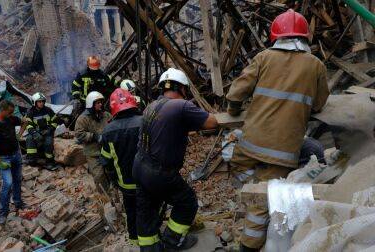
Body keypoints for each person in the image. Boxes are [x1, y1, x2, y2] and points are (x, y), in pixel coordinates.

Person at [226, 9, 330, 251]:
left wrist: (233, 108)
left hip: (248, 145)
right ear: (305, 38)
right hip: (282, 153)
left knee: (249, 180)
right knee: (263, 198)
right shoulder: (315, 66)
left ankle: (248, 223)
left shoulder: (263, 58)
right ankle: (249, 245)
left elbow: (236, 92)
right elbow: (319, 104)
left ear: (276, 36)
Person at [133, 68, 218, 251]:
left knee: (147, 208)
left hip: (139, 166)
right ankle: (172, 242)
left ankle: (149, 248)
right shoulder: (182, 106)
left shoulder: (151, 106)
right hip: (159, 172)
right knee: (187, 202)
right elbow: (212, 122)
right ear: (182, 89)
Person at [100, 88, 141, 246]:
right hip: (148, 180)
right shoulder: (144, 121)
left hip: (126, 183)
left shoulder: (108, 131)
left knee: (131, 212)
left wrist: (113, 180)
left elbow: (106, 160)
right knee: (148, 208)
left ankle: (134, 241)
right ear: (133, 102)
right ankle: (153, 236)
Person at [0, 100, 26, 224]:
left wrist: (19, 134)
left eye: (12, 112)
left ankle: (18, 203)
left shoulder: (12, 119)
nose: (11, 114)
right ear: (2, 110)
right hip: (3, 158)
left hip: (16, 155)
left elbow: (25, 121)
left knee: (18, 179)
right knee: (7, 184)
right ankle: (3, 213)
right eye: (9, 112)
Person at [75, 91, 111, 193]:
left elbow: (113, 125)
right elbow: (78, 133)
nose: (100, 104)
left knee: (110, 172)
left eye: (101, 102)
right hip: (93, 152)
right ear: (91, 104)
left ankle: (113, 191)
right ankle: (105, 196)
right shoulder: (83, 119)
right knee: (99, 175)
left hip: (107, 150)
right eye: (97, 102)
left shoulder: (106, 115)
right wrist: (93, 136)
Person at [24, 92, 58, 170]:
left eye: (43, 101)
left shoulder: (48, 110)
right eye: (39, 101)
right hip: (36, 132)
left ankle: (49, 162)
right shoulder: (30, 112)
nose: (41, 103)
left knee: (48, 143)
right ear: (35, 102)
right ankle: (32, 159)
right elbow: (29, 125)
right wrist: (35, 133)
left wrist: (50, 130)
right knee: (29, 139)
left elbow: (55, 122)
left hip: (48, 131)